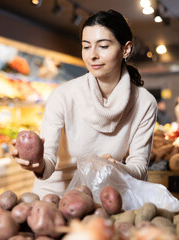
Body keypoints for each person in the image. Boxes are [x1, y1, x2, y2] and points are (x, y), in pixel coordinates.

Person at [11, 9, 158, 198]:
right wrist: (38, 164)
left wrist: (117, 168)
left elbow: (139, 168)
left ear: (126, 49)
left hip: (104, 197)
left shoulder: (144, 103)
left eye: (103, 46)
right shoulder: (63, 96)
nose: (92, 55)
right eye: (86, 46)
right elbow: (48, 164)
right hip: (54, 198)